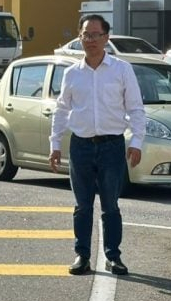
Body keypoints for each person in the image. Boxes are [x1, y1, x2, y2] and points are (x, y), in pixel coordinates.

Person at [48, 14, 145, 276]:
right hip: (80, 146)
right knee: (82, 205)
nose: (90, 40)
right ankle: (82, 255)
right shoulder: (72, 73)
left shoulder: (121, 70)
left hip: (112, 146)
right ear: (79, 38)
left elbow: (136, 108)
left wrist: (136, 142)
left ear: (106, 38)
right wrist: (55, 144)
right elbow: (61, 110)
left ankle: (114, 257)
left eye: (96, 35)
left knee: (110, 205)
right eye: (86, 35)